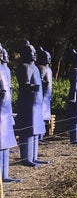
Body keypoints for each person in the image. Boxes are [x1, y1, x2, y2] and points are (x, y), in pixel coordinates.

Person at [16, 41, 49, 166]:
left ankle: (34, 157)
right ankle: (26, 158)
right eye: (31, 52)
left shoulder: (35, 67)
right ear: (24, 54)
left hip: (37, 104)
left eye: (35, 52)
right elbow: (23, 84)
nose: (34, 54)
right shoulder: (23, 66)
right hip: (27, 105)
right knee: (28, 131)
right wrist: (30, 87)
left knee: (36, 130)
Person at [0, 43, 21, 182]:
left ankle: (5, 175)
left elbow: (10, 88)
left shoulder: (6, 69)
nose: (4, 54)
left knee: (6, 143)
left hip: (6, 110)